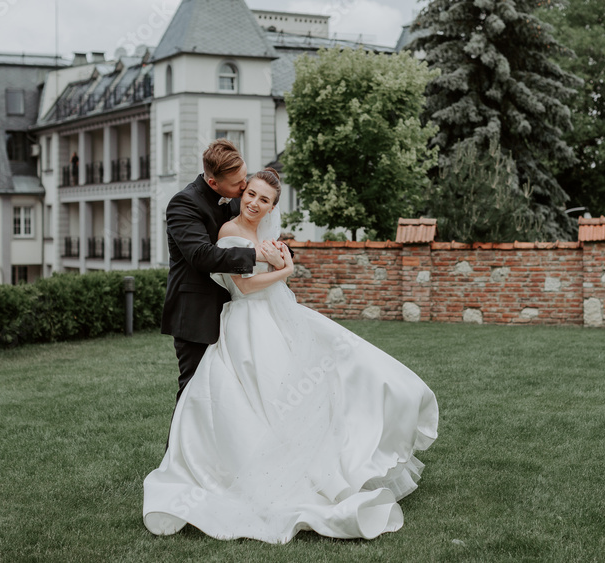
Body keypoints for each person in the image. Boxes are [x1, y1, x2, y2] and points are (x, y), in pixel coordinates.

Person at [144, 169, 438, 543]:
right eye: (250, 194)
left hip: (279, 319)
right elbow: (246, 286)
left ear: (272, 207)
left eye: (263, 200)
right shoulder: (227, 230)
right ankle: (249, 473)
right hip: (246, 324)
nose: (253, 202)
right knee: (260, 396)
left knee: (334, 373)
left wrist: (283, 259)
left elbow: (270, 262)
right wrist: (286, 271)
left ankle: (343, 449)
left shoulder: (264, 233)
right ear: (242, 192)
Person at [160, 139, 271, 403]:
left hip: (235, 314)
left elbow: (253, 230)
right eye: (238, 183)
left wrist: (278, 250)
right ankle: (177, 447)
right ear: (213, 183)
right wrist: (256, 255)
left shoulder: (234, 199)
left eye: (245, 177)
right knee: (194, 395)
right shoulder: (183, 204)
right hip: (197, 315)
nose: (245, 187)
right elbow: (202, 255)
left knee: (230, 396)